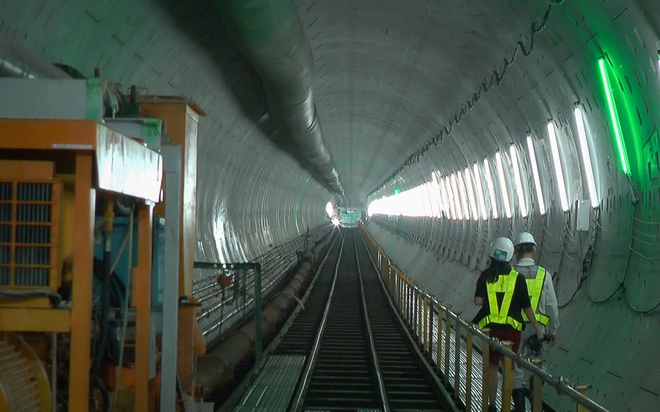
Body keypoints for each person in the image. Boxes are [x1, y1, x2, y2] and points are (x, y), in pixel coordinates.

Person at [473, 237, 544, 412]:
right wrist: (538, 330)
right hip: (512, 333)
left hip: (491, 330)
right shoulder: (517, 278)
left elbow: (477, 302)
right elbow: (526, 306)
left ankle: (491, 406)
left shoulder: (486, 276)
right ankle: (506, 407)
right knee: (509, 369)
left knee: (491, 367)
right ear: (511, 256)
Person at [512, 232, 560, 412]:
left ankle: (519, 408)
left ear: (516, 251)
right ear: (533, 250)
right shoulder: (544, 275)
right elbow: (552, 306)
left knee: (515, 369)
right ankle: (535, 401)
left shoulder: (511, 274)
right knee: (539, 367)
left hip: (515, 328)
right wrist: (553, 329)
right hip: (537, 330)